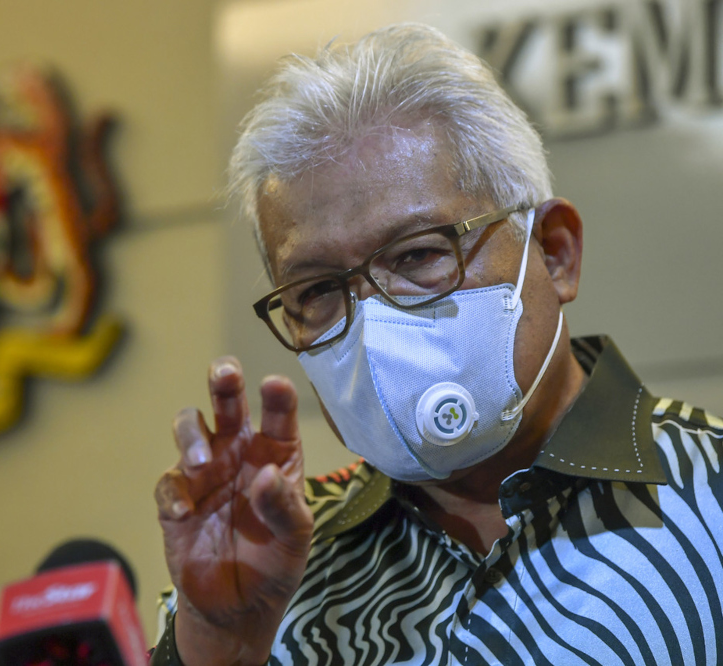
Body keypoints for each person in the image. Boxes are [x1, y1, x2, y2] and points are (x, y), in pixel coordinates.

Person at [152, 23, 723, 665]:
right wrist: (220, 646)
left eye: (421, 253)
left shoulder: (710, 498)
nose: (373, 322)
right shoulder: (266, 558)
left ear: (555, 252)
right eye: (316, 290)